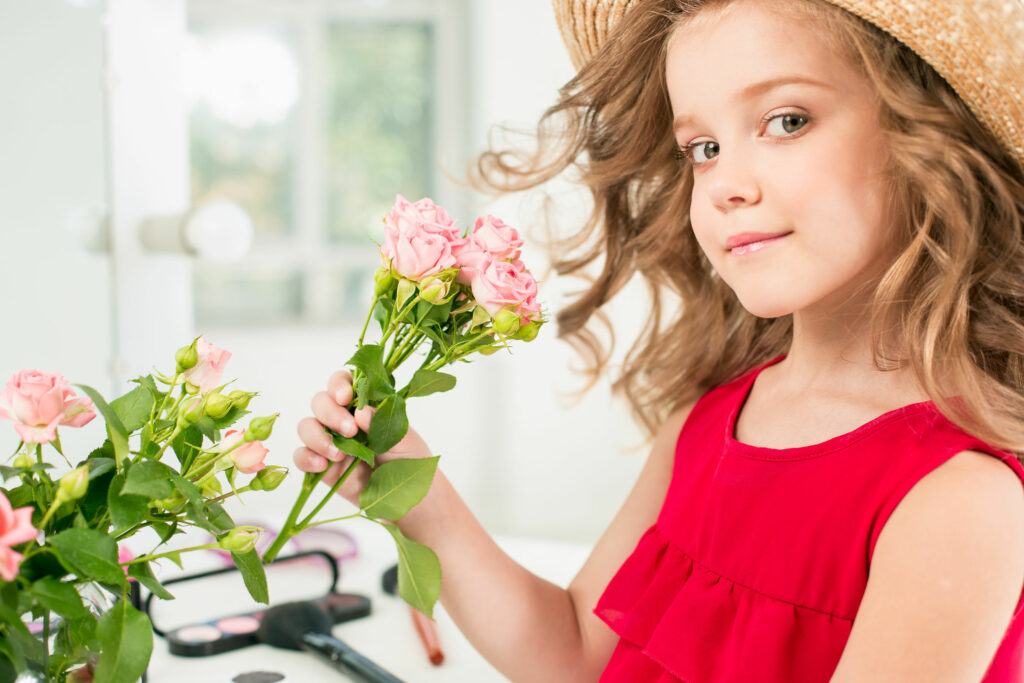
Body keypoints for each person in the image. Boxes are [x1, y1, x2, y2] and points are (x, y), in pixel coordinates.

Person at [295, 0, 1024, 679]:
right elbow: (576, 651)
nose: (724, 183)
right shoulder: (706, 426)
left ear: (926, 133)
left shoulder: (960, 499)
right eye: (702, 146)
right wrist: (421, 499)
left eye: (787, 120)